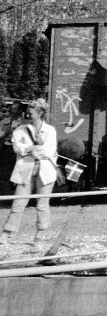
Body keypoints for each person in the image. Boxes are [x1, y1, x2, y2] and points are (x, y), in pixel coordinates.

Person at [2, 100, 58, 244]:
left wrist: (27, 150)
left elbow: (49, 151)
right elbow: (16, 147)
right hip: (25, 171)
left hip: (45, 172)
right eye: (27, 112)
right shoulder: (20, 129)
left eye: (31, 113)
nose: (27, 114)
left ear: (40, 113)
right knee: (18, 203)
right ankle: (7, 232)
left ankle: (41, 233)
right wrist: (31, 148)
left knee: (42, 204)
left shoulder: (50, 130)